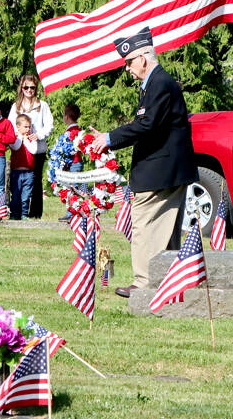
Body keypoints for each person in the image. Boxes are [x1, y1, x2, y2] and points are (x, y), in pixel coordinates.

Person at [90, 27, 198, 298]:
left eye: (129, 62)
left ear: (143, 58)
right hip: (165, 169)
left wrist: (109, 138)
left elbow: (146, 124)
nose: (127, 68)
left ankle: (144, 283)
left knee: (145, 226)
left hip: (160, 171)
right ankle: (169, 280)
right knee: (165, 228)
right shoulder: (156, 82)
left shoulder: (159, 83)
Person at [8, 75, 53, 218]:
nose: (29, 90)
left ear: (36, 88)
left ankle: (35, 213)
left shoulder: (42, 105)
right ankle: (17, 212)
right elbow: (10, 126)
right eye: (26, 87)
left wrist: (38, 135)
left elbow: (49, 126)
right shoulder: (16, 106)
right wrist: (18, 135)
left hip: (37, 149)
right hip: (19, 149)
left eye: (32, 87)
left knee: (36, 182)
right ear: (21, 88)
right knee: (17, 183)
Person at [9, 114, 37, 220]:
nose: (28, 129)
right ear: (18, 127)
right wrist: (20, 137)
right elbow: (15, 147)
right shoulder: (15, 138)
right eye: (25, 127)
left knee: (26, 196)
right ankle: (14, 213)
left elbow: (33, 150)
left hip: (29, 172)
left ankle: (24, 213)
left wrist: (26, 139)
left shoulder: (31, 139)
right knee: (15, 195)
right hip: (16, 171)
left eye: (29, 127)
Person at [58, 103, 83, 222]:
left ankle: (72, 213)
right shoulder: (78, 130)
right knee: (72, 187)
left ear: (67, 117)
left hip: (73, 163)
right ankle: (72, 212)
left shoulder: (70, 132)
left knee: (73, 188)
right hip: (76, 163)